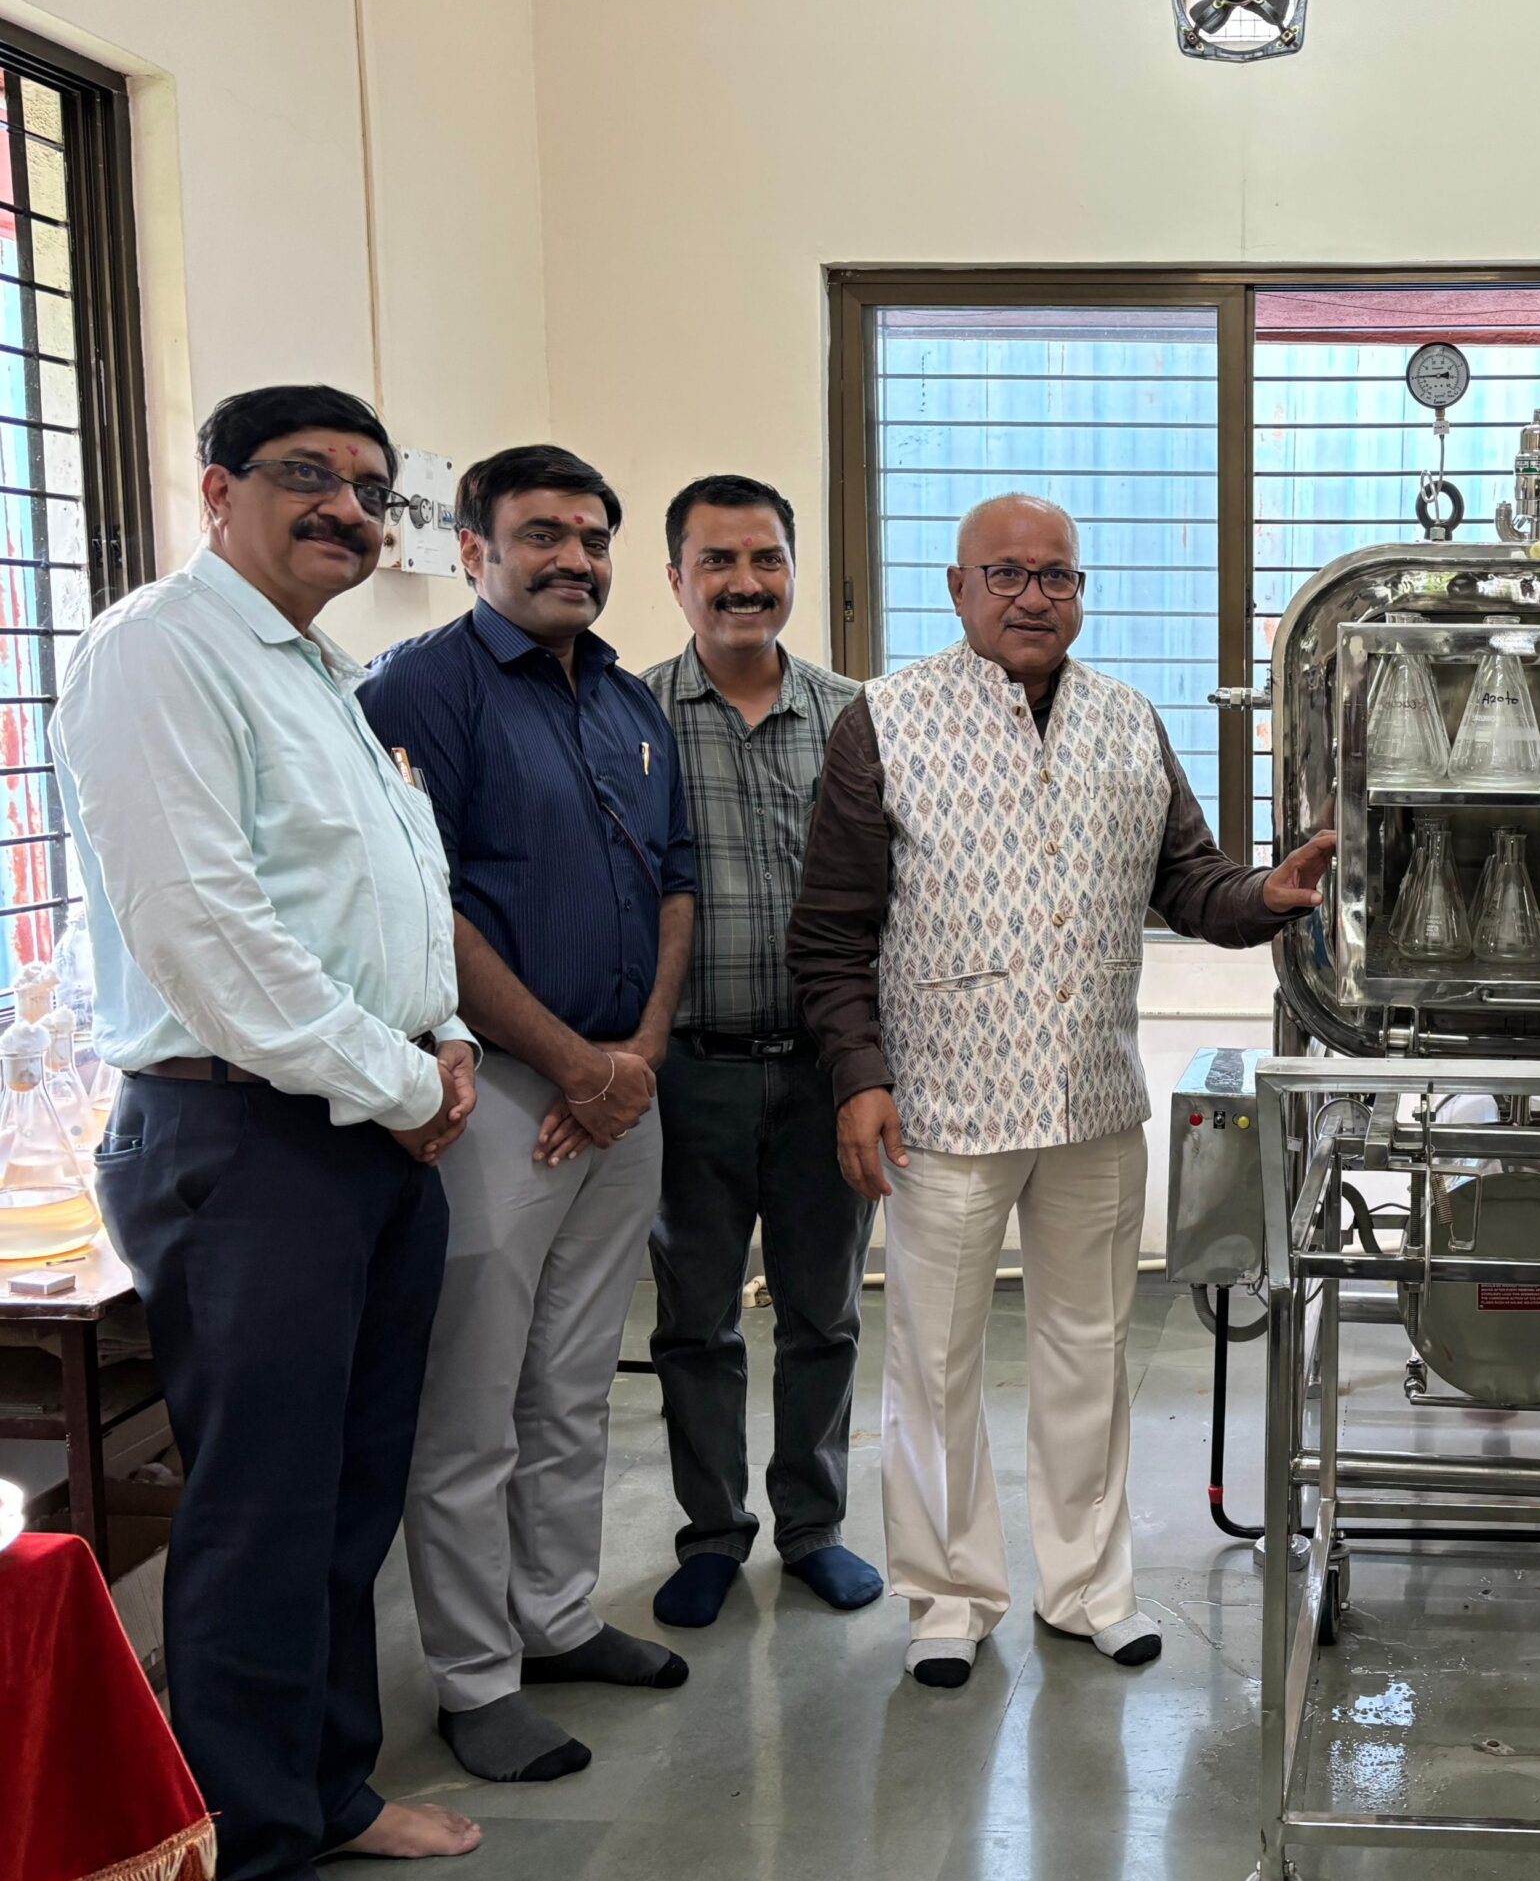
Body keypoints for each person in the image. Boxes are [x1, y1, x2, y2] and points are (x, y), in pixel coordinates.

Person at [52, 385, 481, 1881]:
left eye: (370, 490)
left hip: (364, 1130)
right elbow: (208, 930)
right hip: (246, 1137)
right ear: (217, 483)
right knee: (259, 1505)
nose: (347, 512)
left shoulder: (323, 674)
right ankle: (249, 1863)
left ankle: (328, 1789)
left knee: (351, 1490)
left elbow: (382, 897)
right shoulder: (156, 652)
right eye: (309, 478)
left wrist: (441, 1050)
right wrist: (400, 1081)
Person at [789, 494, 1336, 1690]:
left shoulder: (1127, 720)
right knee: (933, 1358)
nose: (1034, 596)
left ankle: (1088, 1586)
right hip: (941, 1105)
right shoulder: (882, 724)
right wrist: (860, 1079)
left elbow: (1191, 883)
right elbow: (831, 936)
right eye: (1007, 574)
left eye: (1057, 577)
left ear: (1081, 591)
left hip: (1092, 1096)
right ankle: (948, 1596)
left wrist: (1268, 895)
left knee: (1090, 1347)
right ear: (957, 588)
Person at [361, 445, 697, 1784]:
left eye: (593, 536)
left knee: (572, 1384)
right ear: (471, 548)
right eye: (542, 533)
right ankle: (475, 1675)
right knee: (474, 1404)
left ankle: (556, 1617)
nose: (575, 557)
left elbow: (673, 884)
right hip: (494, 1097)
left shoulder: (624, 699)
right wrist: (567, 1060)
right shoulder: (418, 694)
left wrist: (637, 1058)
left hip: (622, 1092)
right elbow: (417, 908)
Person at [640, 475, 876, 1629]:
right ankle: (710, 1533)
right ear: (674, 577)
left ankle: (814, 1526)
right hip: (687, 1072)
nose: (745, 583)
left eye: (767, 559)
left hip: (825, 1069)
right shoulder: (627, 719)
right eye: (718, 561)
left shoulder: (854, 718)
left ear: (792, 569)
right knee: (693, 1318)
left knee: (823, 1312)